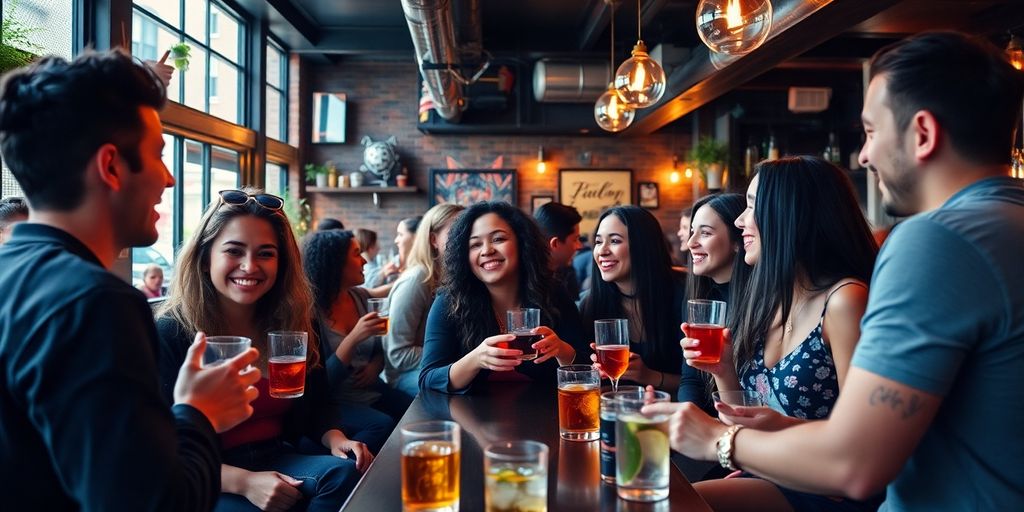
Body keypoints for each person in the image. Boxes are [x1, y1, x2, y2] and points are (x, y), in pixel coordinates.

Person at [645, 31, 1024, 511]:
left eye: (870, 131)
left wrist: (718, 439)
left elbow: (857, 465)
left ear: (923, 134)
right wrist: (783, 428)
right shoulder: (1005, 225)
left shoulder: (938, 240)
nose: (863, 156)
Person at [0, 50, 258, 510]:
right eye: (159, 154)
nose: (170, 178)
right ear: (112, 167)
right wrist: (198, 413)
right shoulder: (95, 303)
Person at [684, 157, 879, 511]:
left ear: (790, 215)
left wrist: (775, 439)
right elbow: (749, 422)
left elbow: (863, 442)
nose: (741, 221)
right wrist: (724, 370)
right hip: (777, 474)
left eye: (752, 206)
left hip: (828, 489)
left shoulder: (845, 300)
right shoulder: (772, 300)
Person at [157, 189, 371, 511]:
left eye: (266, 254)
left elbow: (318, 404)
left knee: (345, 474)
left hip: (275, 454)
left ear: (282, 264)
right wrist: (244, 482)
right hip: (207, 472)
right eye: (234, 251)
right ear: (204, 259)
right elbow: (156, 448)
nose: (249, 266)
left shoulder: (294, 322)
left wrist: (337, 438)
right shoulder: (172, 332)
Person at [419, 201, 587, 394]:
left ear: (522, 242)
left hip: (545, 416)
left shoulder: (553, 294)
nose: (487, 250)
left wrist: (561, 349)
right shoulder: (450, 301)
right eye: (475, 244)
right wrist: (476, 359)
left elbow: (588, 371)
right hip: (472, 419)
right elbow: (428, 379)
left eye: (498, 239)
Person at [581, 206, 694, 398]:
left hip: (674, 414)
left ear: (643, 245)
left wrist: (649, 376)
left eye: (615, 241)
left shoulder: (683, 295)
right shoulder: (589, 304)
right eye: (598, 242)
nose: (602, 250)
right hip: (617, 414)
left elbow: (702, 384)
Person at [303, 229, 413, 422]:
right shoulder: (310, 312)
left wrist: (375, 366)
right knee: (383, 425)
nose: (364, 261)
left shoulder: (360, 297)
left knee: (417, 411)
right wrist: (354, 338)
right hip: (335, 402)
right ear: (335, 263)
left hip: (371, 391)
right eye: (356, 254)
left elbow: (380, 344)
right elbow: (323, 384)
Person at [383, 203, 464, 398]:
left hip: (441, 365)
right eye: (457, 230)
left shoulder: (454, 277)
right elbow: (398, 354)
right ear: (433, 239)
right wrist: (452, 358)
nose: (466, 237)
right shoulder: (417, 280)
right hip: (405, 375)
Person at [679, 193, 751, 402]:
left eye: (705, 233)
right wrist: (685, 415)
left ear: (739, 241)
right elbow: (691, 379)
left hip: (746, 425)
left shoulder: (761, 301)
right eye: (692, 232)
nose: (691, 243)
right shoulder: (697, 299)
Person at [533, 202, 584, 300]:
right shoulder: (527, 284)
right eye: (575, 239)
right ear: (555, 243)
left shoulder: (566, 273)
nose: (579, 246)